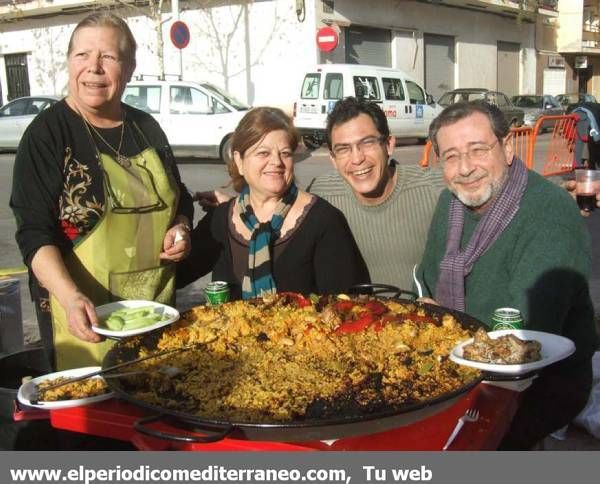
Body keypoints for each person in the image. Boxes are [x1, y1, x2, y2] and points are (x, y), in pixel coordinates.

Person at [10, 13, 193, 370]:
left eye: (108, 57)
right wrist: (69, 294)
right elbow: (32, 230)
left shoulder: (146, 127)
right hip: (82, 317)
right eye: (82, 55)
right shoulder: (47, 134)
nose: (93, 68)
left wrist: (182, 226)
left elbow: (179, 195)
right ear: (69, 62)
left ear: (129, 67)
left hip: (152, 314)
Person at [416, 100, 599, 450]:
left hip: (538, 385)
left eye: (478, 150)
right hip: (462, 367)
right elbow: (427, 288)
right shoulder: (449, 204)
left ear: (508, 147)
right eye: (451, 156)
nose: (465, 168)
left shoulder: (549, 213)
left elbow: (525, 339)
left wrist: (442, 326)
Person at [183, 106, 369, 300]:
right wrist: (181, 223)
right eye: (263, 153)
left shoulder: (324, 221)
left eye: (285, 153)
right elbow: (177, 272)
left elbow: (350, 308)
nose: (276, 162)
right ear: (239, 161)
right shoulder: (221, 219)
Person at [308, 97, 445, 290]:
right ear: (333, 158)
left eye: (367, 143)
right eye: (343, 149)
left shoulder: (435, 190)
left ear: (388, 145)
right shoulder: (322, 196)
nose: (357, 159)